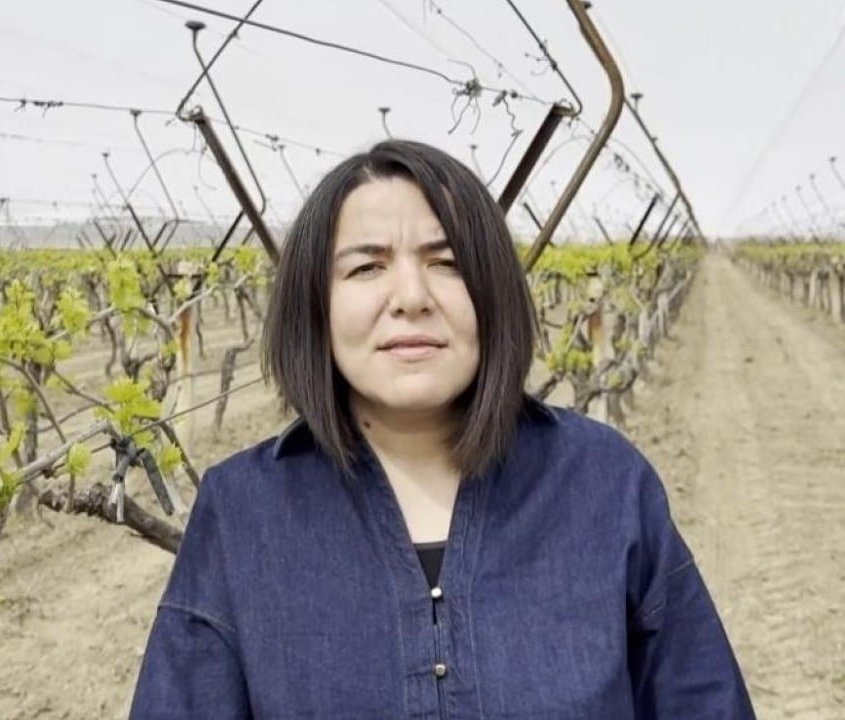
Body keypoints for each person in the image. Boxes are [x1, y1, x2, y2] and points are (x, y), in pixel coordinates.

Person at [127, 139, 755, 719]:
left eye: (447, 262)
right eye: (366, 268)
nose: (411, 296)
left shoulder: (605, 484)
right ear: (316, 306)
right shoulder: (243, 512)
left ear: (493, 291)